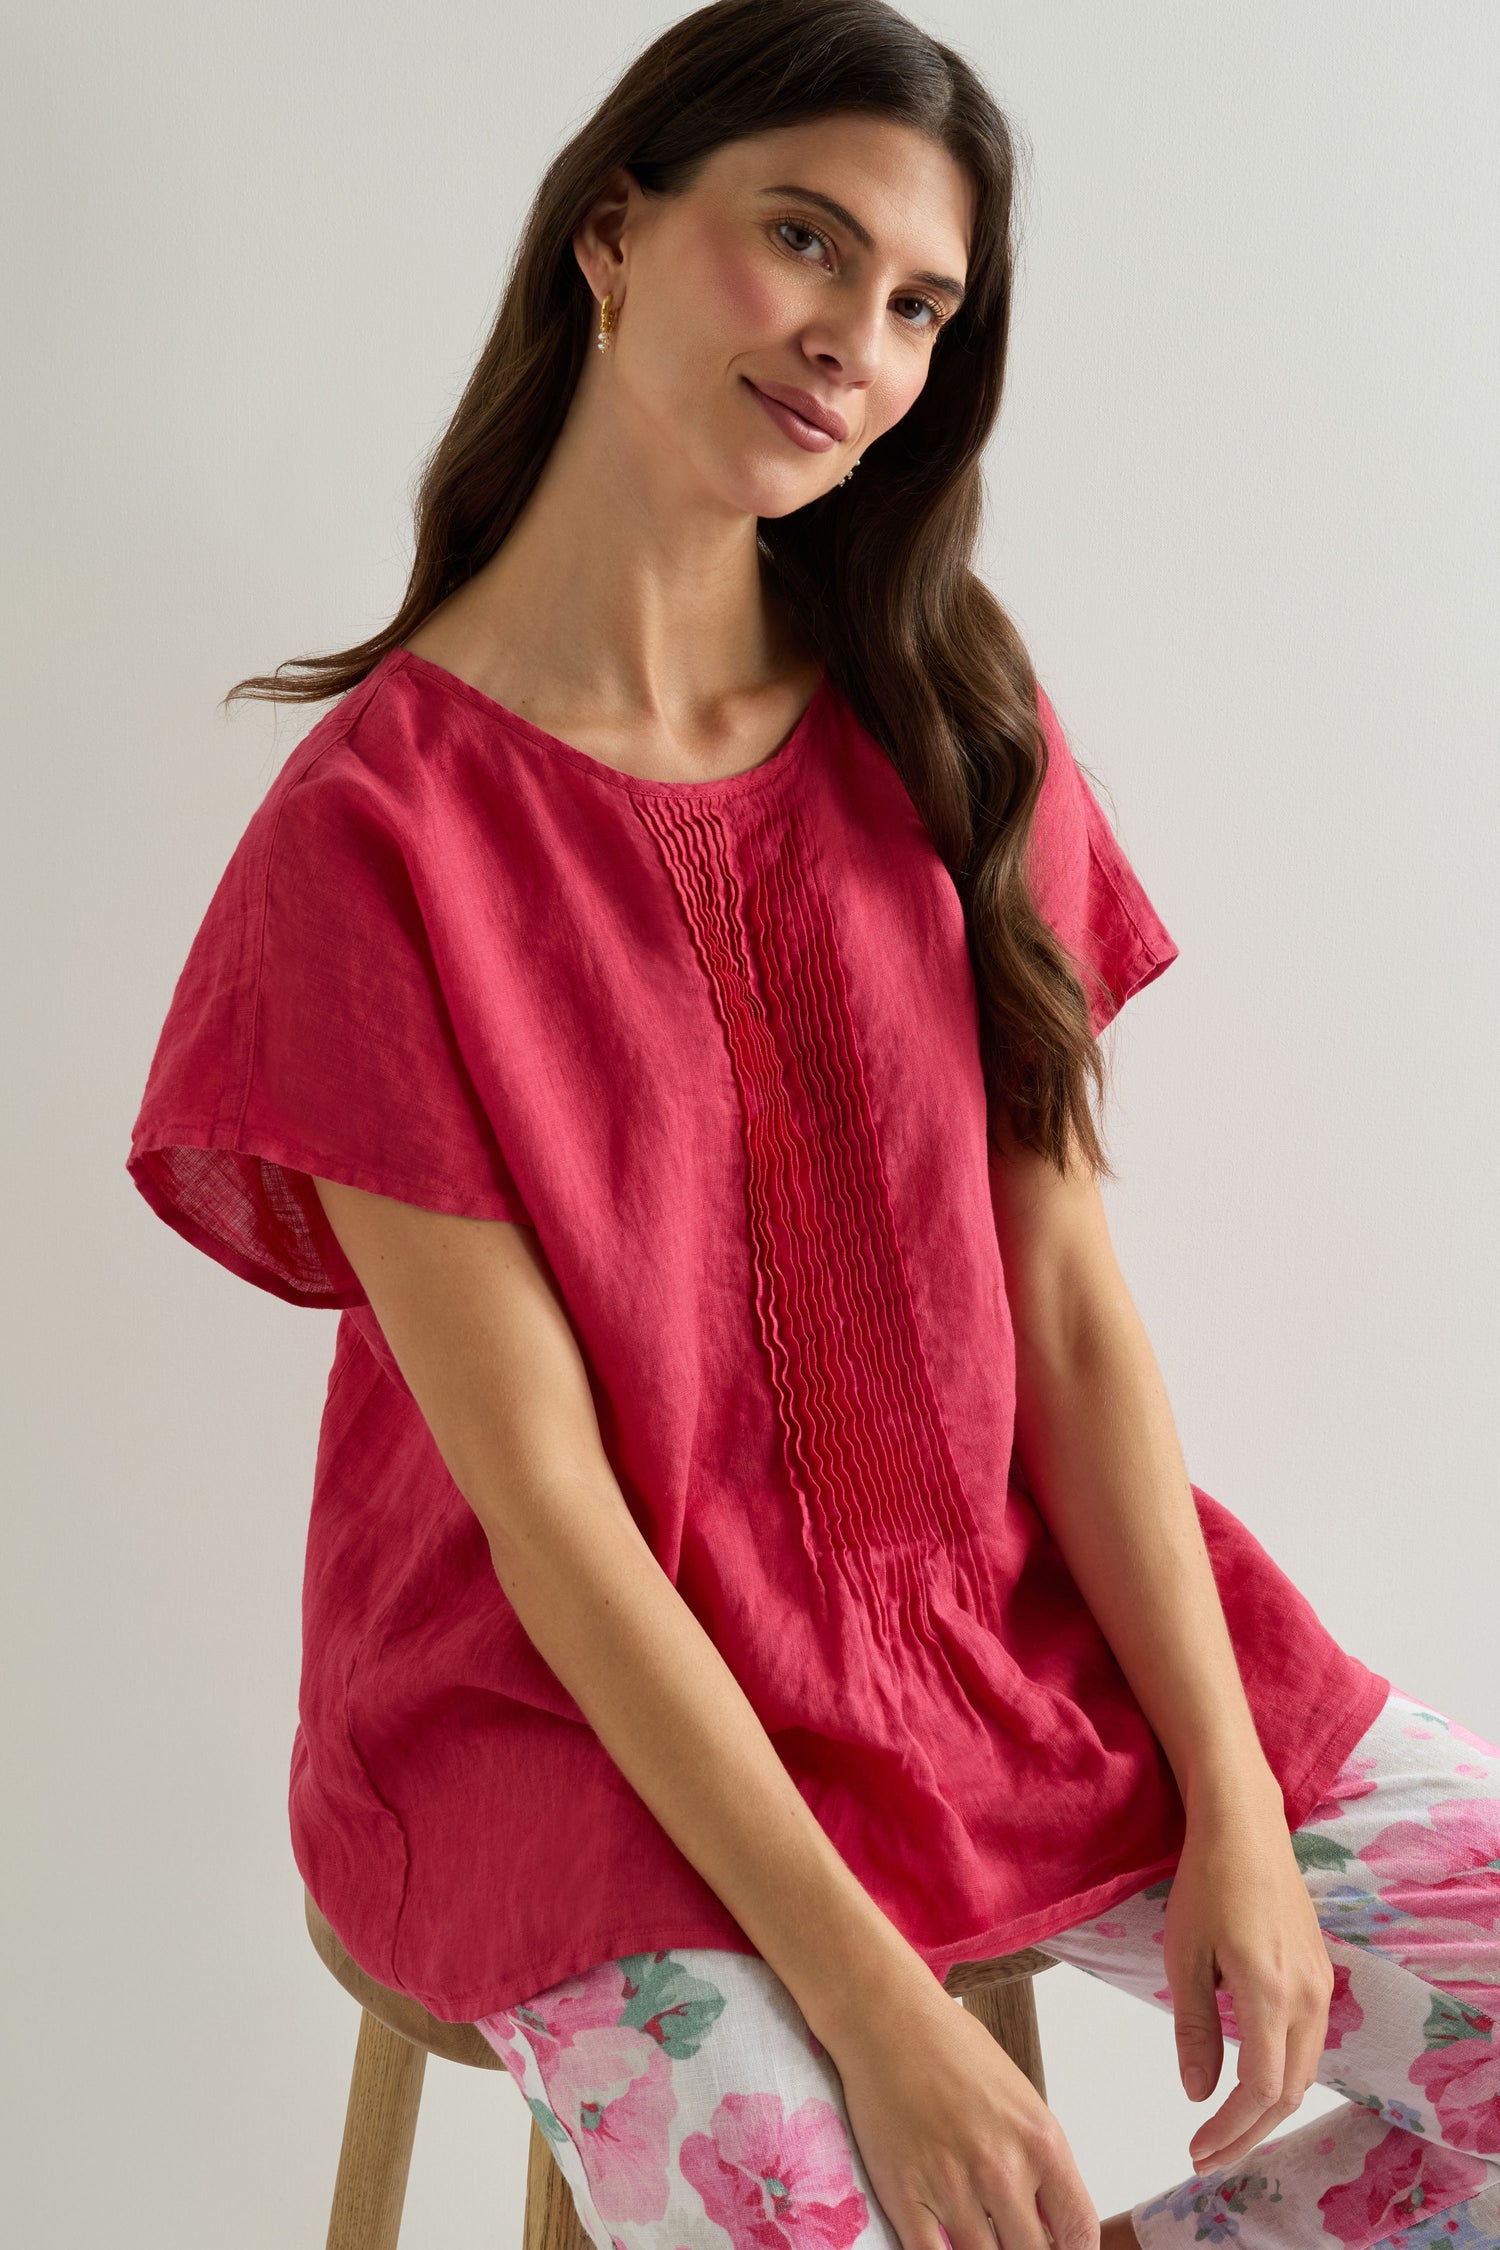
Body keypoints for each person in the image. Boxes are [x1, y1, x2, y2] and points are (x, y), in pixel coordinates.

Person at [125, 4, 1500, 2248]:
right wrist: (878, 2010)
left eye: (921, 305)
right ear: (613, 234)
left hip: (1003, 1631)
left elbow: (1064, 1303)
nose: (860, 341)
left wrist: (1238, 1796)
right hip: (565, 1724)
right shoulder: (370, 845)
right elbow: (552, 1516)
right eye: (805, 243)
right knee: (808, 2204)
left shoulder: (949, 708)